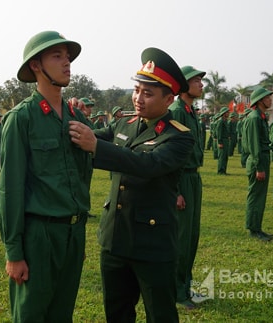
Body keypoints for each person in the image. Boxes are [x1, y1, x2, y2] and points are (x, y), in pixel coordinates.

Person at [69, 47, 195, 323]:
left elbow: (146, 165)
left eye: (148, 93)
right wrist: (74, 117)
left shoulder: (179, 137)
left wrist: (96, 146)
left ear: (169, 99)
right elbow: (87, 139)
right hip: (114, 240)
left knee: (160, 314)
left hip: (152, 245)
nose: (138, 98)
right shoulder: (123, 124)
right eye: (136, 90)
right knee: (117, 312)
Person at [0, 31, 93, 323]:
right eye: (57, 56)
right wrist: (14, 252)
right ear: (36, 66)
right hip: (40, 235)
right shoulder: (22, 118)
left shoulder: (77, 118)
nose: (67, 63)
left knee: (62, 314)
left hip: (73, 232)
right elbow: (9, 190)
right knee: (31, 315)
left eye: (67, 56)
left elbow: (107, 149)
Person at [168, 65, 205, 309]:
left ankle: (186, 285)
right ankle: (176, 291)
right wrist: (176, 190)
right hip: (181, 179)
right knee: (180, 238)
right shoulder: (176, 111)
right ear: (184, 84)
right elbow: (171, 153)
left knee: (191, 236)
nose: (201, 85)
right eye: (197, 81)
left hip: (193, 177)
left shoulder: (190, 111)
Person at [242, 87, 273, 241]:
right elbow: (254, 146)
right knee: (256, 196)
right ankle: (253, 228)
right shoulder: (254, 118)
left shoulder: (259, 117)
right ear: (260, 100)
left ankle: (257, 227)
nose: (270, 99)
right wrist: (259, 167)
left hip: (261, 159)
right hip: (257, 161)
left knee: (259, 196)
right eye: (267, 97)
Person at [215, 107, 230, 174]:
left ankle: (224, 170)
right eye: (227, 112)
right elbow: (219, 133)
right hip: (222, 140)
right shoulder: (220, 121)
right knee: (222, 156)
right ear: (224, 113)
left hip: (226, 140)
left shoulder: (225, 120)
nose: (228, 113)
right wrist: (220, 142)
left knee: (225, 156)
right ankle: (220, 171)